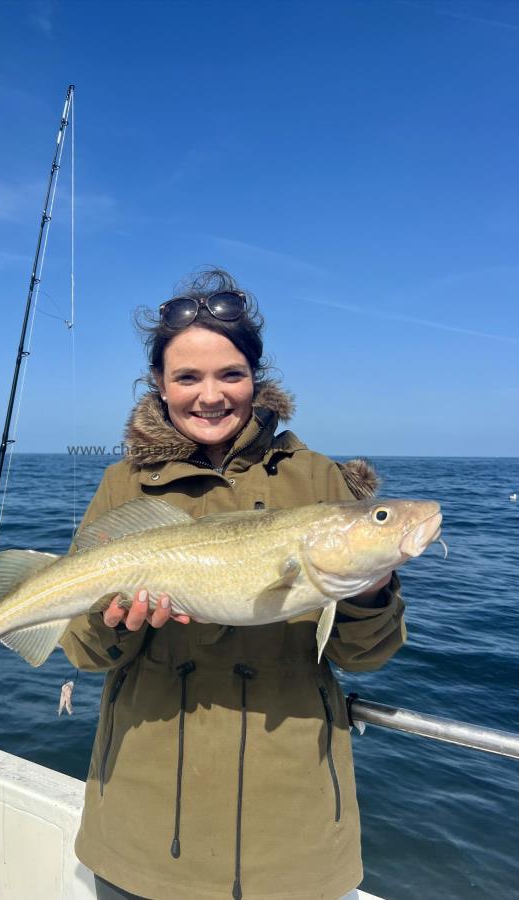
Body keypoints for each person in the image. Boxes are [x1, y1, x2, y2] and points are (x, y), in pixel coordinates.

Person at [60, 269, 405, 900]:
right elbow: (82, 653)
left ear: (257, 377)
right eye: (187, 377)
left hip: (294, 832)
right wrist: (109, 625)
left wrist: (369, 593)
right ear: (159, 385)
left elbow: (366, 656)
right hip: (144, 821)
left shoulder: (321, 482)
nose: (210, 395)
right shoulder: (122, 486)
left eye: (231, 374)